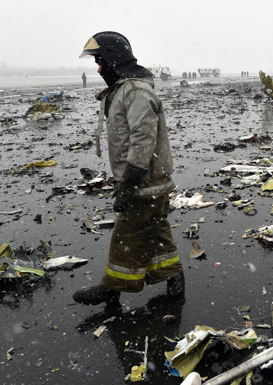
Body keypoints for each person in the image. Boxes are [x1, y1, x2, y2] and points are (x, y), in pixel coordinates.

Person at [73, 31, 184, 305]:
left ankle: (111, 289)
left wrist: (129, 183)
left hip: (145, 182)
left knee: (127, 235)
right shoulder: (125, 90)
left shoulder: (136, 92)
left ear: (114, 60)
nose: (98, 69)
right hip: (148, 181)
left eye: (100, 61)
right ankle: (175, 281)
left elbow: (143, 140)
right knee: (156, 233)